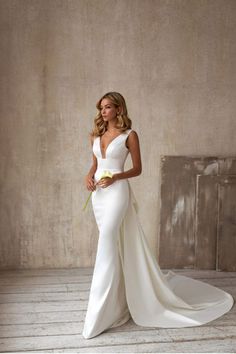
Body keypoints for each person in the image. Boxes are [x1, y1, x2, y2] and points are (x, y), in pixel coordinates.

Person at [82, 92, 234, 339]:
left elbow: (138, 169)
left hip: (117, 192)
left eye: (108, 107)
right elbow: (95, 164)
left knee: (107, 242)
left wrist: (116, 177)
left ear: (119, 109)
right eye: (101, 108)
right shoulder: (96, 135)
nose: (103, 112)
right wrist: (88, 177)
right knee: (113, 244)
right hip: (99, 196)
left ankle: (99, 313)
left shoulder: (129, 135)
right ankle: (118, 304)